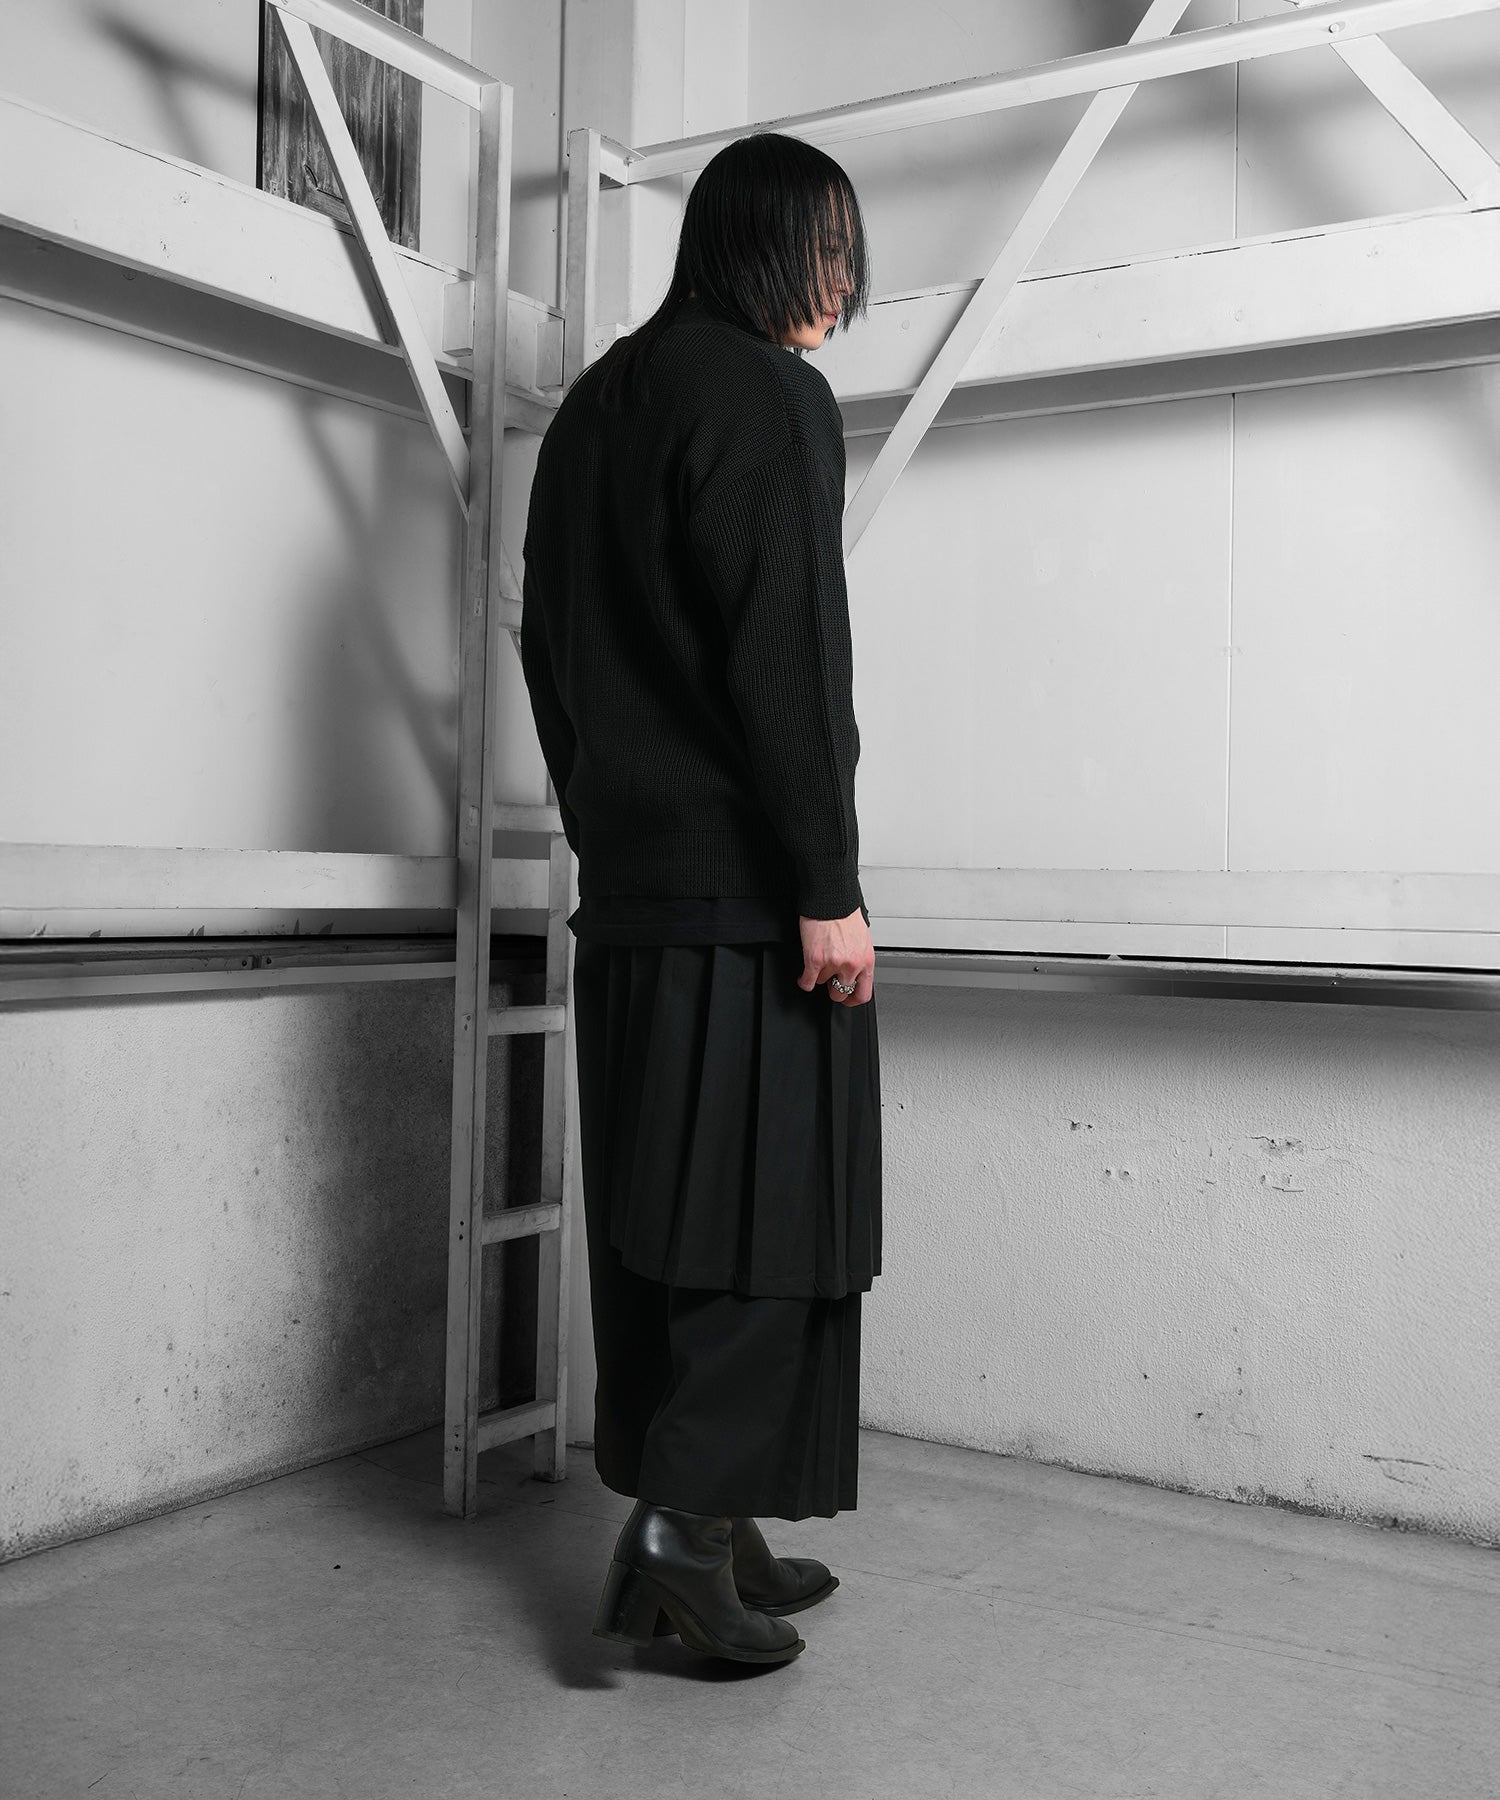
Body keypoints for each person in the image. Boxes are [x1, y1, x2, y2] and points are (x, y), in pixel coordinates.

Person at [519, 131, 881, 1668]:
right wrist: (827, 887)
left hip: (632, 898)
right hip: (750, 901)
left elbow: (547, 651)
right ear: (760, 245)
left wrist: (608, 825)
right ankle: (678, 1541)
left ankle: (713, 1520)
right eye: (827, 252)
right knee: (769, 1223)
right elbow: (788, 659)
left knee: (662, 1224)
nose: (841, 287)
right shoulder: (769, 397)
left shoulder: (597, 406)